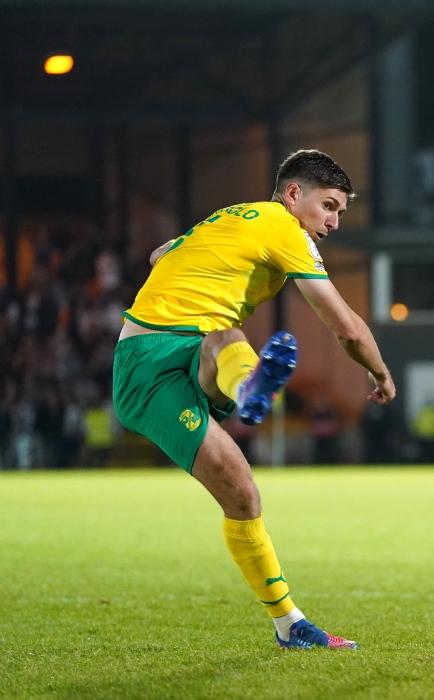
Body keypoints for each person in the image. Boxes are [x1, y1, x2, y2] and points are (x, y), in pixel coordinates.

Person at [111, 149, 395, 651]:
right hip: (149, 367)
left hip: (194, 349)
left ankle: (290, 627)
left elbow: (159, 254)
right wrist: (380, 373)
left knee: (242, 491)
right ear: (293, 194)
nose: (333, 222)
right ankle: (248, 388)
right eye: (328, 206)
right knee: (224, 345)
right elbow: (347, 328)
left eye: (339, 212)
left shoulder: (233, 217)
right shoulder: (285, 229)